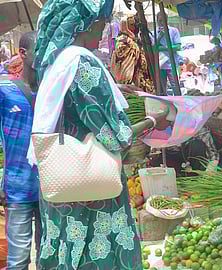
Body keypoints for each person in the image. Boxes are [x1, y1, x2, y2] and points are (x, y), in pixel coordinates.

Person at [30, 0, 171, 268]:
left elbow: (75, 105)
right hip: (91, 194)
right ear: (85, 22)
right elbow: (116, 136)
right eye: (102, 22)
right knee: (95, 251)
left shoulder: (56, 61)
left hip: (62, 184)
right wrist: (153, 121)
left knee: (67, 250)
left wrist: (114, 88)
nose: (104, 28)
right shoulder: (83, 62)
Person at [0, 31, 41, 270]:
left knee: (50, 256)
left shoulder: (52, 90)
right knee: (17, 261)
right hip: (18, 189)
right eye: (39, 49)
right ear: (22, 54)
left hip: (52, 189)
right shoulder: (6, 91)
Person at [111, 14, 155, 94]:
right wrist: (127, 87)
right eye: (134, 25)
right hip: (133, 87)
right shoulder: (127, 42)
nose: (137, 28)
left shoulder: (133, 40)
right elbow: (126, 68)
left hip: (141, 83)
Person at [152, 11, 183, 92]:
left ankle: (178, 102)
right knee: (162, 89)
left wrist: (164, 48)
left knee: (175, 87)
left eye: (163, 20)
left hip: (171, 64)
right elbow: (154, 48)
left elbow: (178, 46)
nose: (161, 23)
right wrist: (160, 37)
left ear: (167, 20)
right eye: (159, 20)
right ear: (157, 20)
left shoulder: (173, 31)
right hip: (160, 64)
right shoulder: (154, 33)